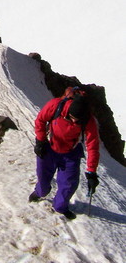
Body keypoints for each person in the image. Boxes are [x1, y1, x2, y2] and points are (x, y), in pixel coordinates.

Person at [29, 87, 100, 219]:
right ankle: (40, 192)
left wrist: (92, 172)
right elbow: (40, 120)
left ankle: (60, 206)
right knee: (43, 178)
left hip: (70, 153)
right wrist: (40, 141)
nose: (74, 121)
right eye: (72, 118)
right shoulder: (56, 106)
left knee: (69, 184)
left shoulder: (88, 120)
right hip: (49, 148)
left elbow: (93, 145)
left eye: (77, 120)